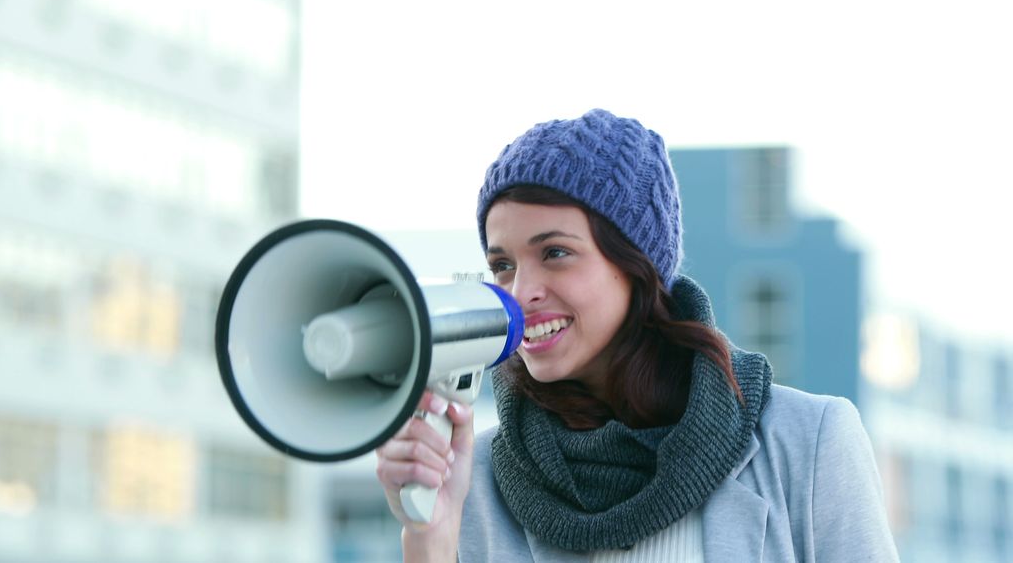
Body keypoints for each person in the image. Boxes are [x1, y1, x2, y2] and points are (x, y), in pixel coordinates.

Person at [375, 109, 899, 562]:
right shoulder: (474, 480)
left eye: (555, 252)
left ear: (636, 266)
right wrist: (431, 537)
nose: (522, 290)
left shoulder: (809, 442)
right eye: (503, 264)